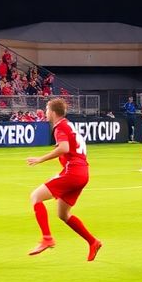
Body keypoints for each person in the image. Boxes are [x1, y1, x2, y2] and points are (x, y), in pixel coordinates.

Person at [26, 98, 102, 261]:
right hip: (83, 173)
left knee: (35, 197)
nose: (45, 113)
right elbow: (71, 148)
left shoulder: (60, 126)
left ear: (53, 112)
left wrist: (41, 159)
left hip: (73, 172)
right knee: (63, 214)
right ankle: (93, 242)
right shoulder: (69, 125)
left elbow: (64, 148)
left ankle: (47, 238)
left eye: (47, 110)